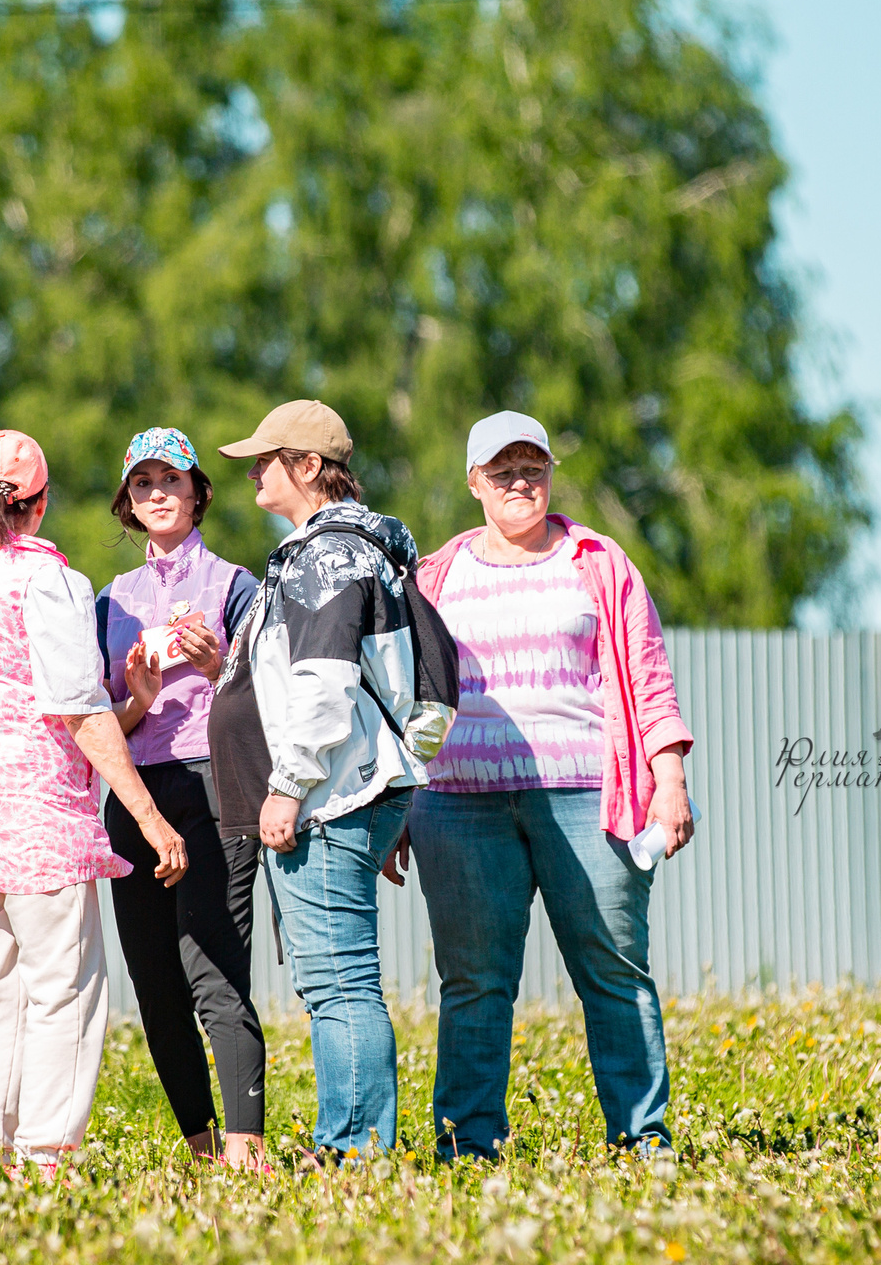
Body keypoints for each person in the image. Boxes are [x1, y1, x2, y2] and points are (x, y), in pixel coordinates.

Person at [386, 411, 695, 1158]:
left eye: (533, 466)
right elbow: (401, 692)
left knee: (614, 969)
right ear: (473, 483)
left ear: (551, 472)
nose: (520, 481)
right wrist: (393, 801)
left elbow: (648, 674)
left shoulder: (598, 560)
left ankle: (642, 1141)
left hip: (588, 797)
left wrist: (670, 774)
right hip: (457, 805)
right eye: (503, 470)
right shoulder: (435, 575)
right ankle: (468, 1146)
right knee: (473, 983)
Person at [0, 430, 188, 1177]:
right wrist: (149, 814)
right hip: (43, 821)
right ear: (40, 505)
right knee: (63, 995)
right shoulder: (47, 581)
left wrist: (124, 704)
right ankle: (44, 1163)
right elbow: (76, 711)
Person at [209, 400, 448, 1161]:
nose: (253, 469)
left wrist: (290, 784)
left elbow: (323, 683)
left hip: (326, 796)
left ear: (308, 467)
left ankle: (354, 1149)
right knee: (339, 979)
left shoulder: (326, 557)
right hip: (352, 790)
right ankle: (354, 1139)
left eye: (266, 457)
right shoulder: (367, 550)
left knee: (338, 982)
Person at [94, 428, 270, 1169]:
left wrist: (221, 662)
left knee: (213, 969)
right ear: (128, 505)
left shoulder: (238, 585)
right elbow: (100, 722)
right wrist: (137, 700)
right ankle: (200, 1150)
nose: (158, 493)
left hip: (213, 783)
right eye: (143, 483)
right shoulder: (107, 601)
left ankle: (246, 1147)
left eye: (171, 479)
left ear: (199, 491)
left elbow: (270, 696)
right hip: (135, 793)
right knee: (156, 985)